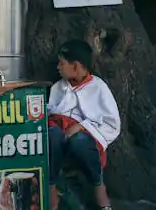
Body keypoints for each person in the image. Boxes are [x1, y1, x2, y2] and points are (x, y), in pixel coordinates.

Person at [47, 40, 120, 210]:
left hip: (84, 141)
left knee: (79, 140)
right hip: (59, 139)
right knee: (52, 135)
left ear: (76, 66)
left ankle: (99, 189)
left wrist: (81, 126)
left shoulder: (99, 87)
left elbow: (112, 123)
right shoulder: (58, 87)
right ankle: (51, 191)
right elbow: (51, 112)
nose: (58, 67)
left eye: (62, 63)